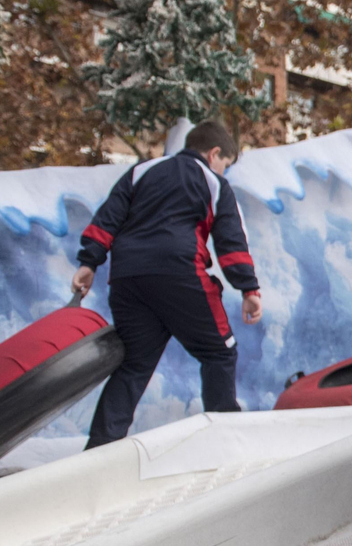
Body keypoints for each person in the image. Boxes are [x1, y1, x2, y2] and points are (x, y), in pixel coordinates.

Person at [72, 121, 263, 447]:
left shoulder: (140, 171)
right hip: (181, 274)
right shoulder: (213, 182)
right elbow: (231, 241)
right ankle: (227, 442)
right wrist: (249, 289)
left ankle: (99, 449)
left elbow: (107, 217)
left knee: (133, 364)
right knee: (220, 353)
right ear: (214, 153)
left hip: (128, 278)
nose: (224, 171)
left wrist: (89, 262)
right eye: (225, 165)